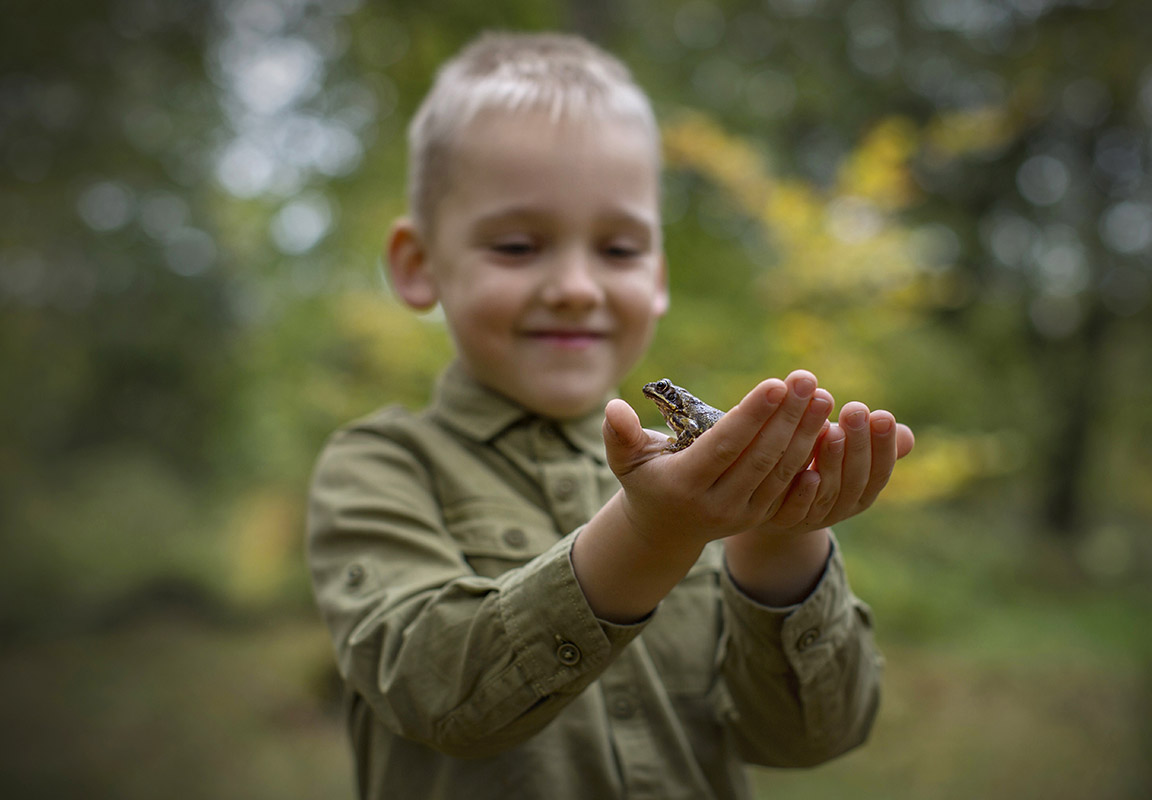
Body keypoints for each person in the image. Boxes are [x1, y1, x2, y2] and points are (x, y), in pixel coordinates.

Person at [307, 31, 914, 800]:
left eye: (619, 249)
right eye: (520, 245)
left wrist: (779, 531)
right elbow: (434, 694)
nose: (576, 287)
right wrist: (650, 536)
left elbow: (806, 739)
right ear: (419, 264)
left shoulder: (697, 471)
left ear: (658, 277)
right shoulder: (378, 466)